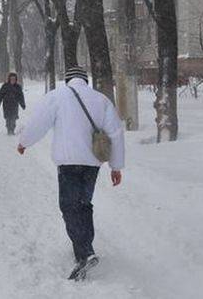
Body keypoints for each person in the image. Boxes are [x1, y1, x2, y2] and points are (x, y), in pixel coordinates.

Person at [16, 66, 125, 281]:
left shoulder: (57, 96)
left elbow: (39, 123)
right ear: (85, 80)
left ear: (67, 80)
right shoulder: (101, 100)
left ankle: (85, 252)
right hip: (92, 164)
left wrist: (24, 142)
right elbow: (116, 133)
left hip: (68, 163)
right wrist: (116, 166)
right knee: (83, 204)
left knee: (69, 206)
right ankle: (85, 248)